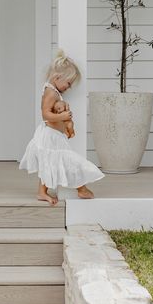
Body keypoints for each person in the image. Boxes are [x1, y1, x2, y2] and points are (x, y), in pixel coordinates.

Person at [19, 49, 104, 206]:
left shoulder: (54, 91)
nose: (69, 87)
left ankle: (44, 192)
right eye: (68, 83)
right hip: (49, 135)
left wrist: (67, 127)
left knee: (52, 162)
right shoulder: (50, 92)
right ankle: (81, 188)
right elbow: (45, 115)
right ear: (58, 77)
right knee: (66, 160)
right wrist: (63, 117)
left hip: (55, 135)